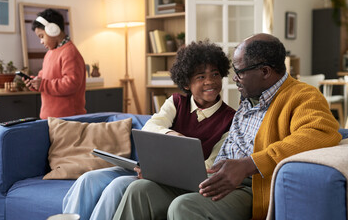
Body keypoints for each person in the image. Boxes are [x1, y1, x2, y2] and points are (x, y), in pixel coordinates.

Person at [112, 33, 342, 220]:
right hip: (211, 176)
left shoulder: (302, 96)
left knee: (186, 207)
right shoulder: (252, 94)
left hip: (249, 186)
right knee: (138, 191)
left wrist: (249, 164)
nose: (233, 79)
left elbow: (321, 133)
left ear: (264, 72)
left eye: (239, 72)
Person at [62, 40, 236, 220]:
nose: (210, 81)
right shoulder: (176, 102)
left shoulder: (230, 119)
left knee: (117, 186)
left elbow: (209, 168)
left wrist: (159, 171)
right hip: (143, 168)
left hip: (171, 179)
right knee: (88, 179)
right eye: (201, 77)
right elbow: (150, 127)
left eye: (215, 74)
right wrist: (172, 134)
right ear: (186, 84)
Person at [23, 8, 86, 119]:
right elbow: (44, 78)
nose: (41, 41)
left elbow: (71, 84)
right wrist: (34, 83)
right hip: (49, 118)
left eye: (42, 36)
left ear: (53, 30)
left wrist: (43, 84)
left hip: (68, 119)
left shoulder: (70, 52)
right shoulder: (49, 53)